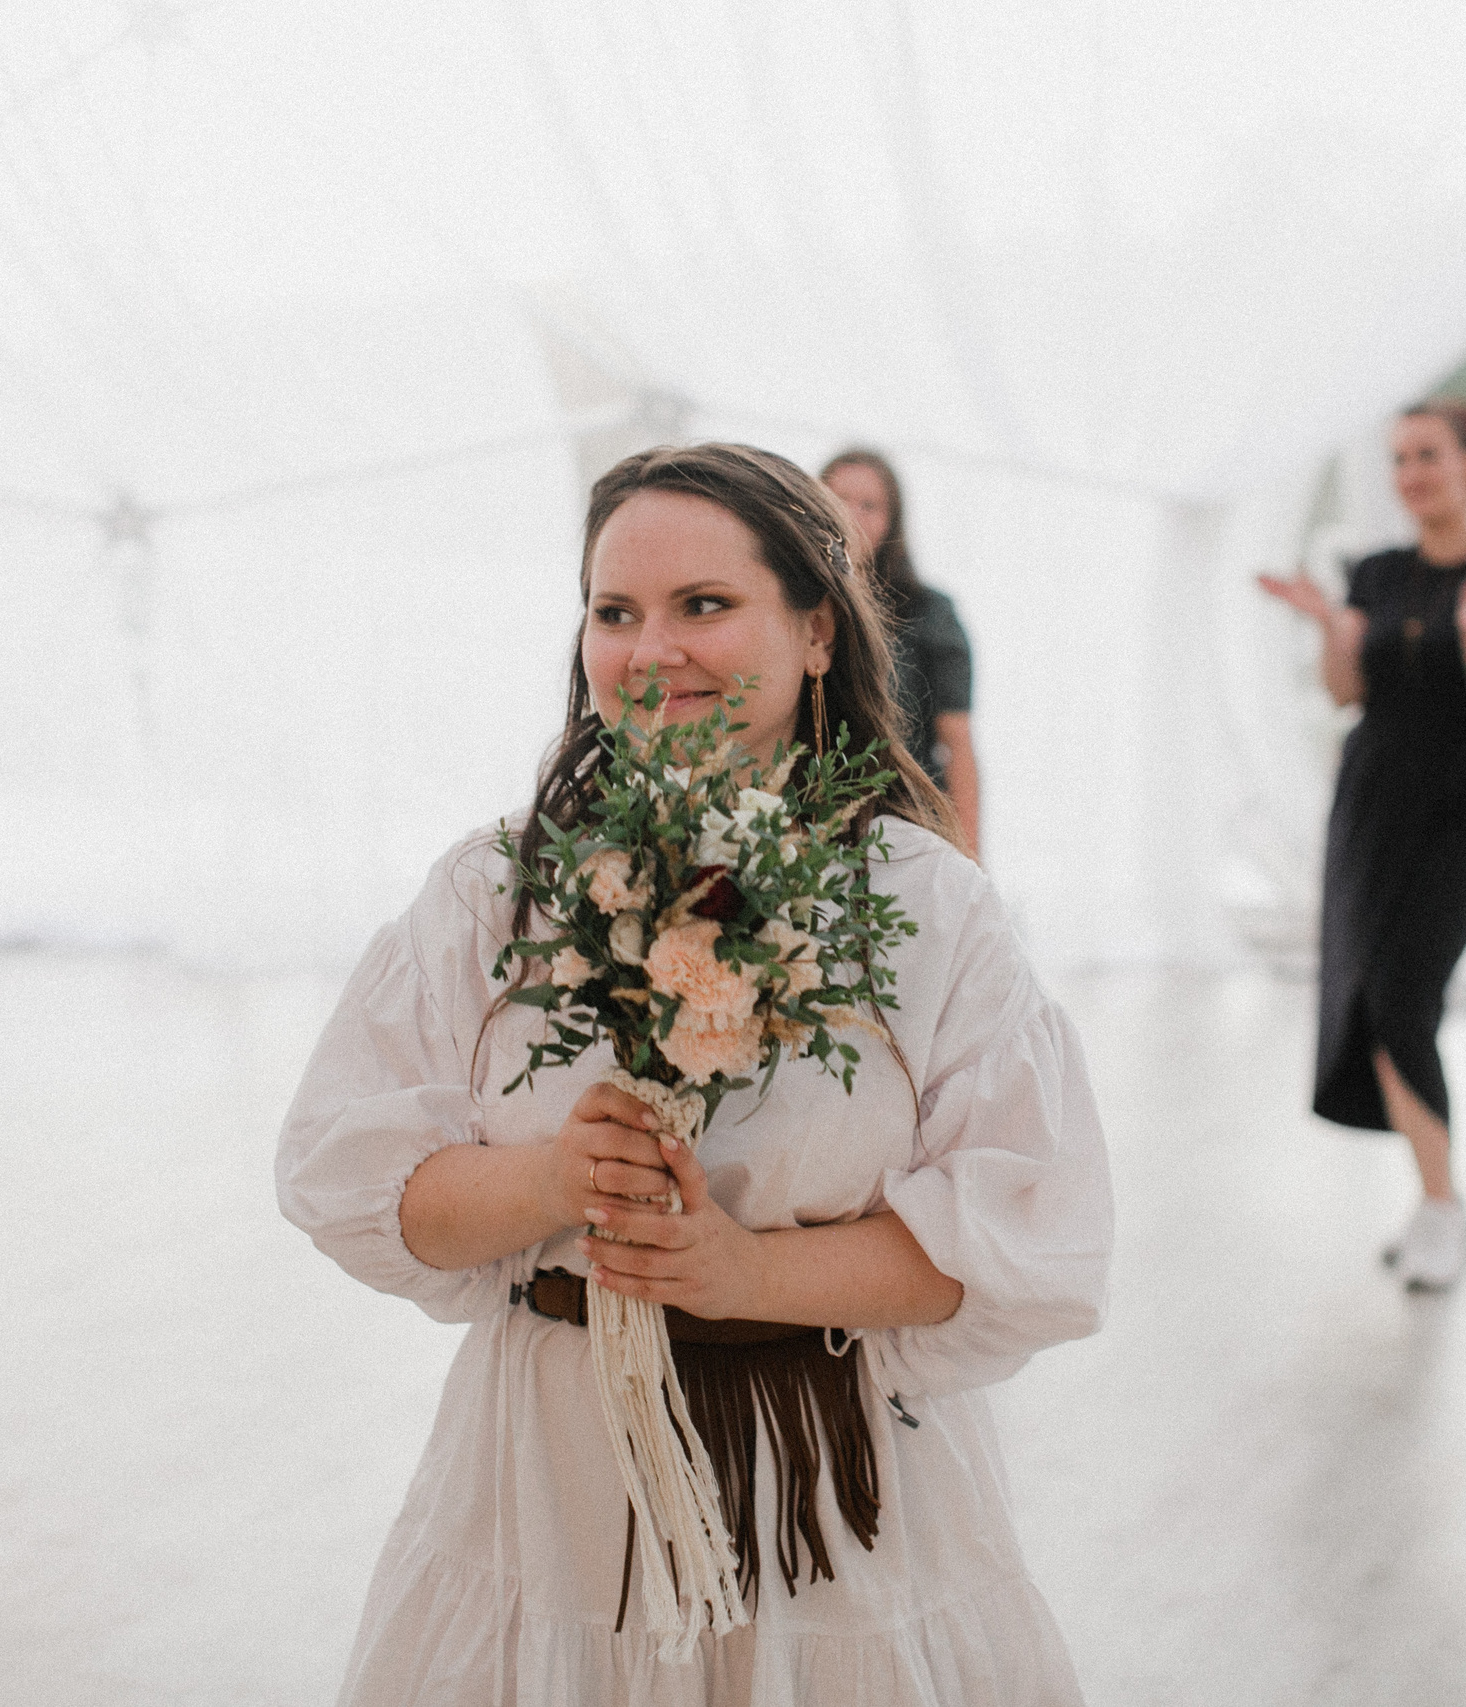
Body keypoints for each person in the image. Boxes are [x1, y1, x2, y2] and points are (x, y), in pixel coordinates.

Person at [278, 442, 1113, 1704]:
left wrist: (754, 1272)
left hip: (837, 1501)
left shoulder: (931, 907)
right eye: (614, 613)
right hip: (552, 1485)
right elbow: (351, 1181)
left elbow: (1027, 1233)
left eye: (702, 607)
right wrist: (557, 1177)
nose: (648, 650)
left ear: (819, 631)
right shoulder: (495, 886)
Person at [1256, 398, 1466, 1291]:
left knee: (1402, 997)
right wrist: (1331, 629)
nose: (1412, 473)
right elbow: (1349, 691)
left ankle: (1443, 1207)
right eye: (1400, 459)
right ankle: (1435, 1204)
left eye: (1428, 455)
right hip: (1370, 804)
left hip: (1457, 809)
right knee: (1370, 996)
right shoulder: (1377, 571)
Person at [820, 450, 982, 858]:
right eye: (836, 499)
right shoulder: (790, 604)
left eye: (868, 505)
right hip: (808, 819)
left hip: (903, 828)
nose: (850, 515)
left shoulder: (930, 613)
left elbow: (957, 742)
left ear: (892, 521)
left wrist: (969, 856)